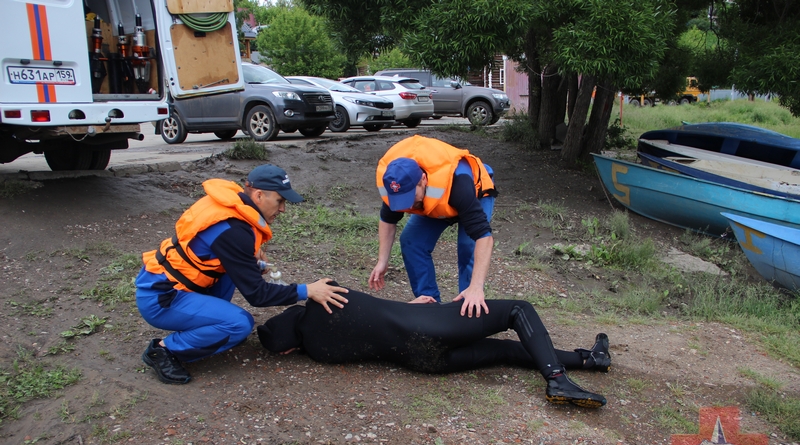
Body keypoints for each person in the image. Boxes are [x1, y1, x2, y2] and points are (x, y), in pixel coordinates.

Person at [135, 165, 349, 385]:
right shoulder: (233, 231)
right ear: (258, 195)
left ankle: (209, 326)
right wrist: (308, 290)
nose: (283, 209)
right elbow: (258, 295)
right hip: (162, 298)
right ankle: (163, 350)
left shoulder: (232, 208)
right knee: (239, 324)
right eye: (279, 201)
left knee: (234, 278)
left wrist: (251, 261)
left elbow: (217, 253)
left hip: (168, 283)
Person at [257, 285, 611, 408]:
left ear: (289, 348)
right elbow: (369, 309)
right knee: (518, 310)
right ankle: (557, 377)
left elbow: (366, 327)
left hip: (423, 362)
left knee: (503, 351)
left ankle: (591, 360)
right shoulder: (324, 298)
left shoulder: (319, 353)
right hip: (426, 327)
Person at [368, 135, 497, 318]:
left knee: (468, 247)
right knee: (412, 242)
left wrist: (476, 287)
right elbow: (388, 220)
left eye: (411, 198)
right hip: (435, 203)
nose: (409, 206)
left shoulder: (458, 186)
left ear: (423, 179)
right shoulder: (395, 183)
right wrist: (382, 261)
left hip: (474, 192)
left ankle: (468, 307)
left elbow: (483, 237)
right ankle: (429, 304)